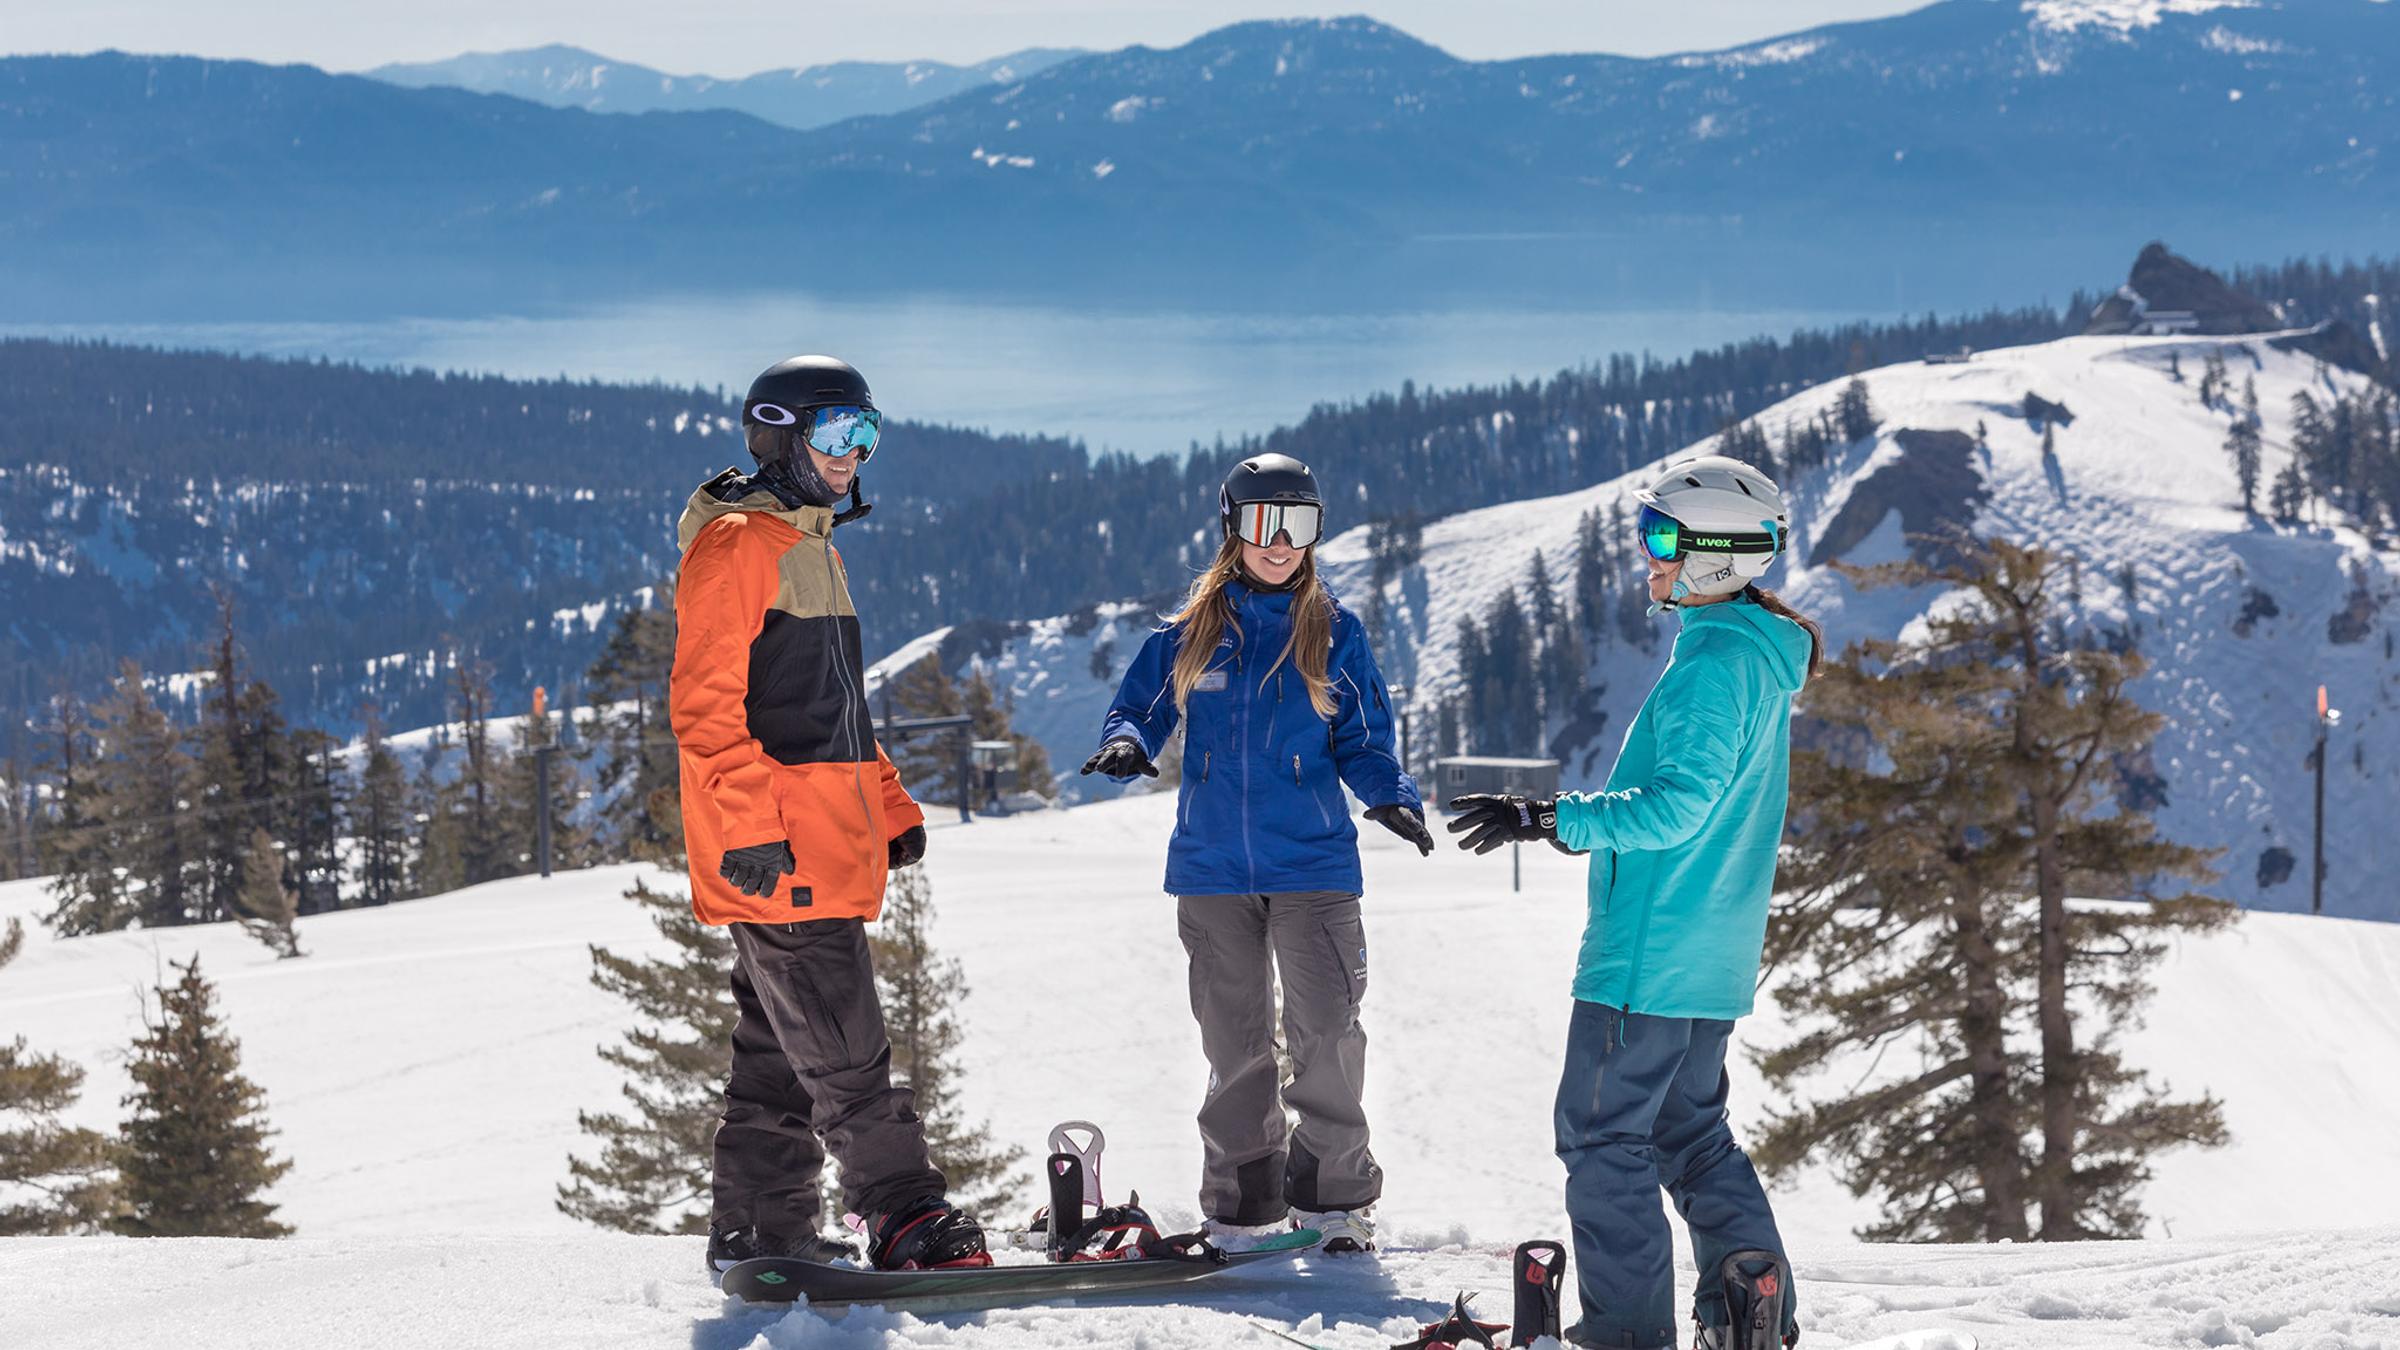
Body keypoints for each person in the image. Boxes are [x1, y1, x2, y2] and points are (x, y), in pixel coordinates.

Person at [1447, 454, 1822, 1350]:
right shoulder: (1754, 655)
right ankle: (1748, 1311)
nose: (1646, 556)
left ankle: (1627, 1337)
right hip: (1712, 953)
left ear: (1718, 554)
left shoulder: (1713, 664)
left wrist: (1550, 817)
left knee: (1602, 1139)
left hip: (1650, 956)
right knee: (1690, 1136)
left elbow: (1680, 806)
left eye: (1662, 537)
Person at [671, 354, 988, 1277]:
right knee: (848, 1051)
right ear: (779, 437)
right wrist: (749, 831)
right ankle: (902, 1215)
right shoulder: (737, 547)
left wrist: (890, 805)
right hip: (780, 853)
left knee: (775, 1052)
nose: (855, 454)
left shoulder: (810, 547)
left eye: (867, 433)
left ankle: (762, 1232)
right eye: (836, 434)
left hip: (819, 843)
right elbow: (704, 707)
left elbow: (834, 710)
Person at [1081, 452, 1432, 1256]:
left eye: (1298, 526)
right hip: (1211, 870)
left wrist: (1392, 796)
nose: (1280, 544)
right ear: (1230, 528)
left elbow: (1365, 739)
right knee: (1234, 1045)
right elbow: (1138, 709)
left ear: (1315, 534)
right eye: (1263, 524)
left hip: (1312, 865)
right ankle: (1242, 1205)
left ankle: (1335, 1201)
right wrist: (1128, 744)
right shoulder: (1190, 632)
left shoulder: (1336, 631)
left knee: (1327, 1033)